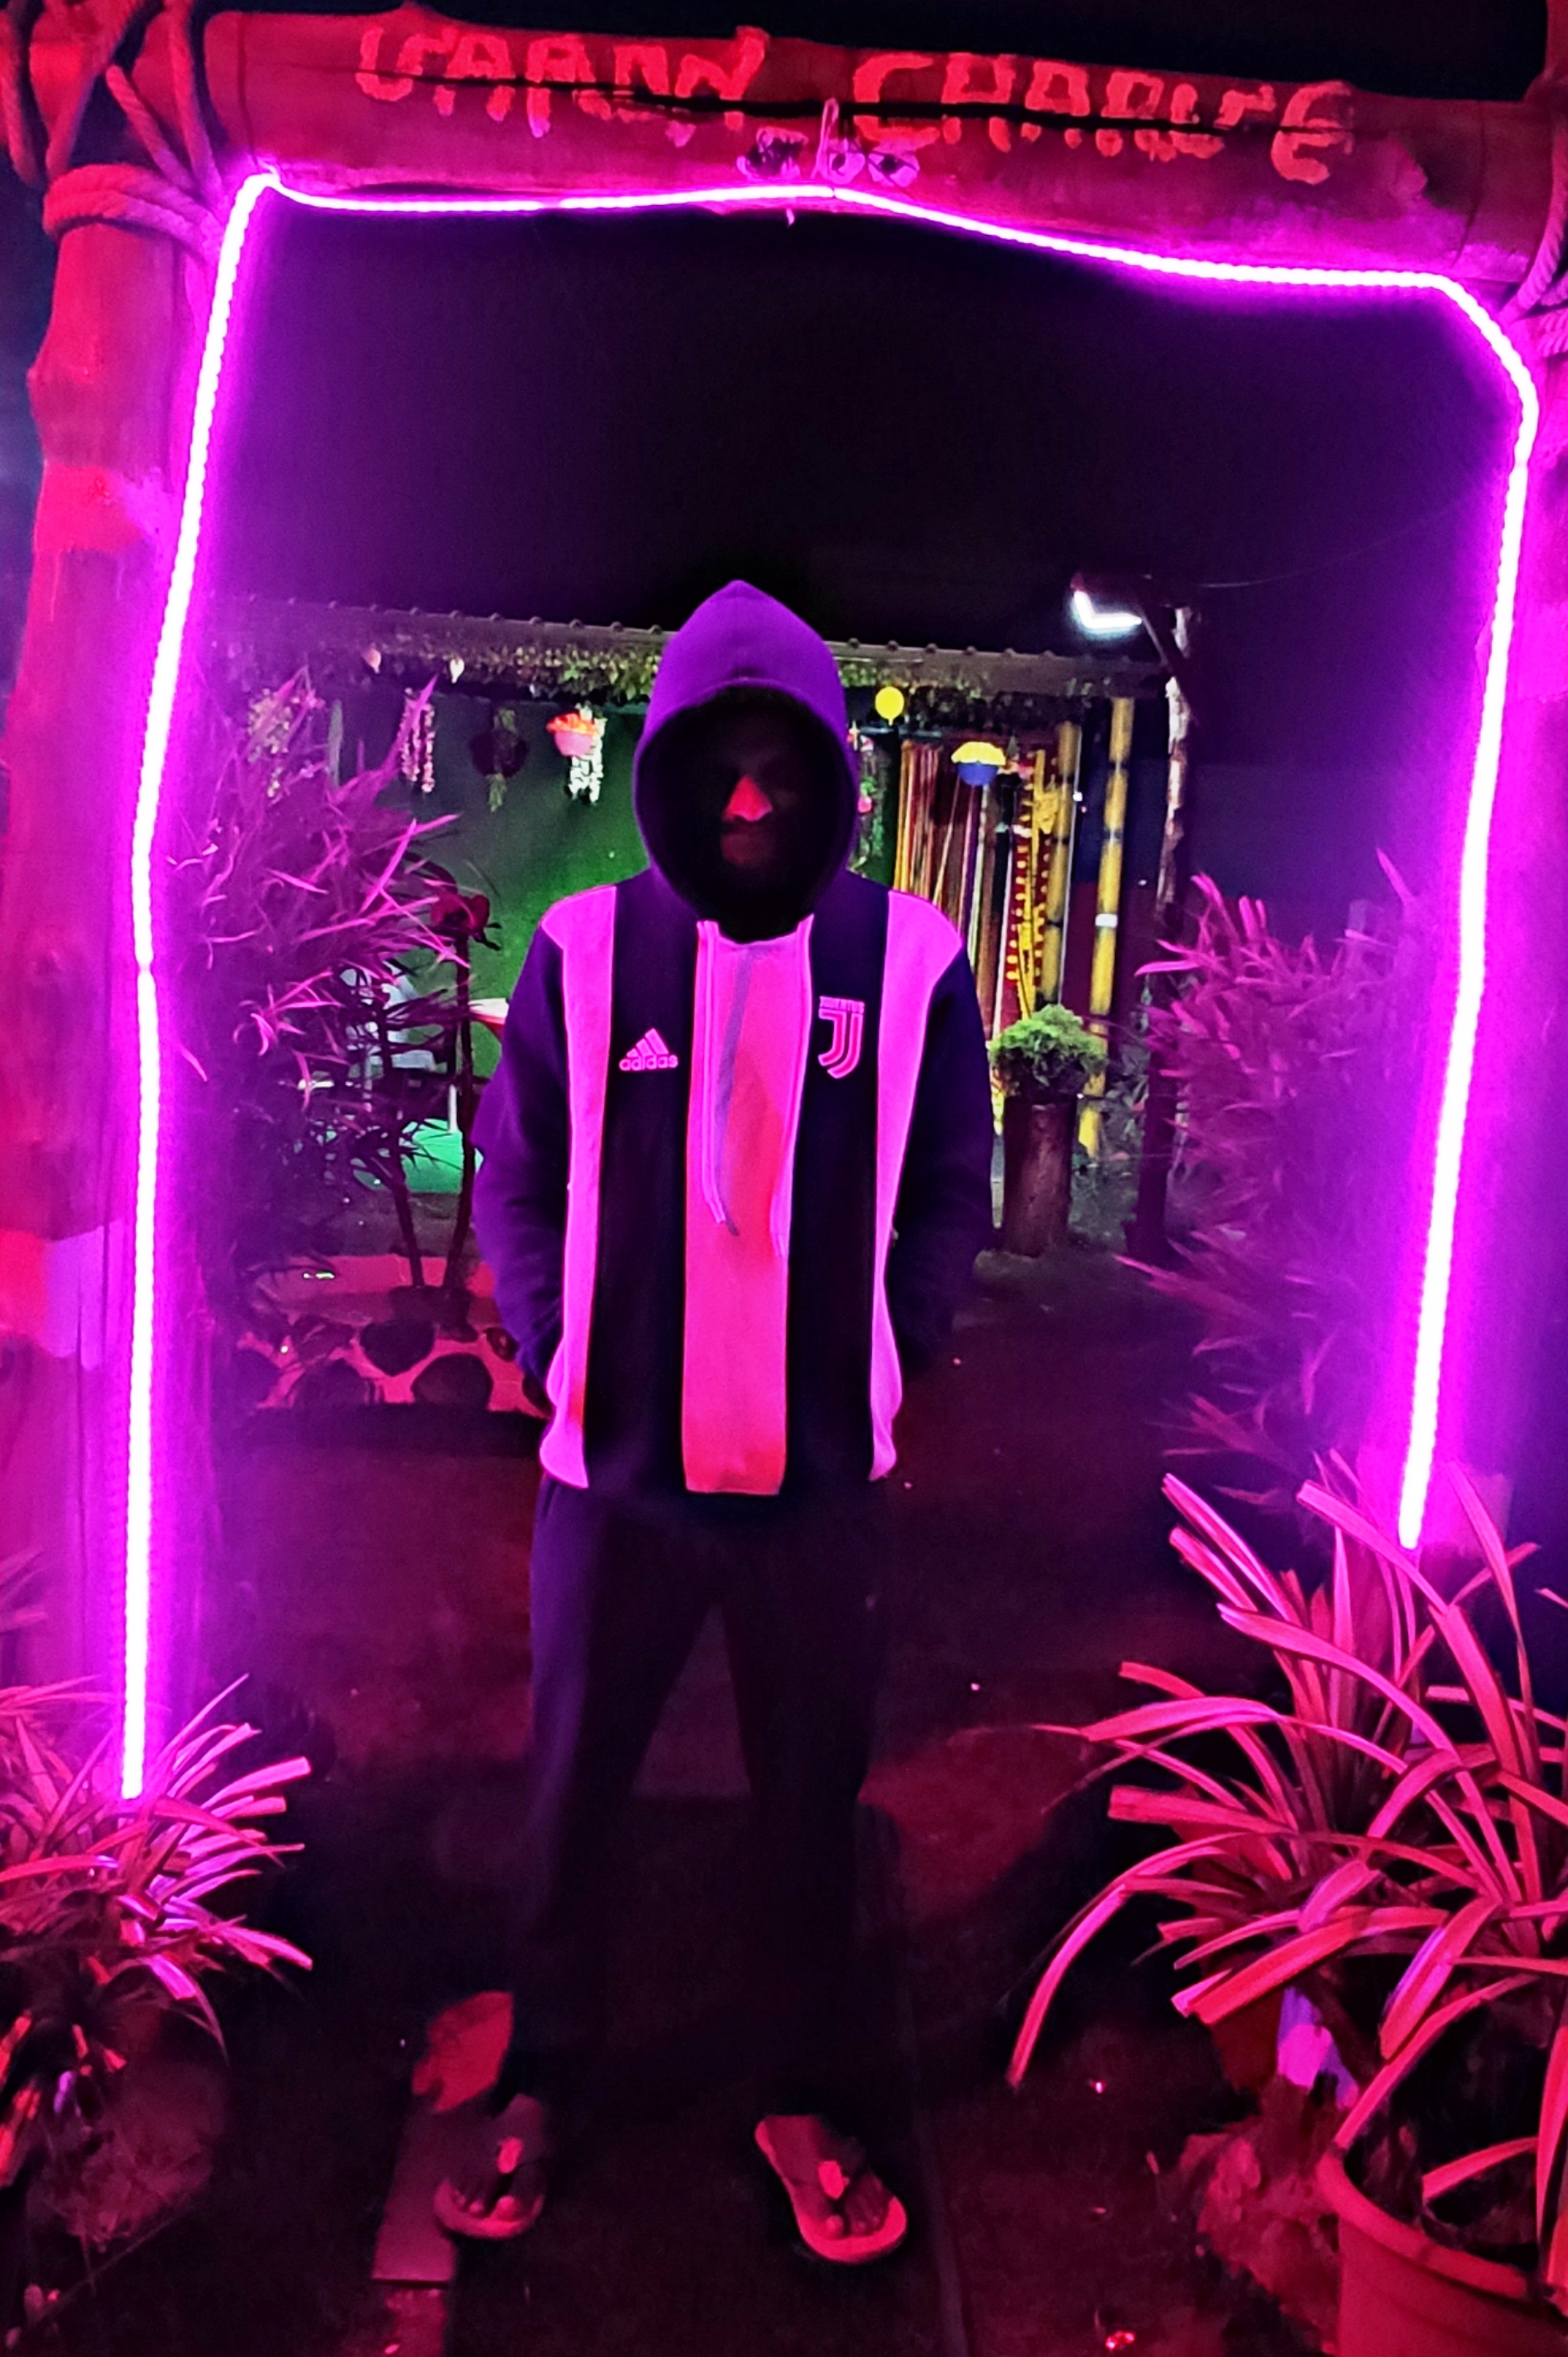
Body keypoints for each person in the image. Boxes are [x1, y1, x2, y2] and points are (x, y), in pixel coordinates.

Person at [441, 581, 993, 2262]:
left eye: (781, 767)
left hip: (818, 1487)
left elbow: (949, 1191)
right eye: (719, 767)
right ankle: (546, 2075)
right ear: (670, 771)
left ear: (829, 776)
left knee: (810, 1800)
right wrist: (554, 1341)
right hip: (616, 1475)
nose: (750, 800)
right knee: (571, 1788)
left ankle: (799, 2093)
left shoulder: (912, 961)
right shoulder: (582, 952)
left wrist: (894, 1347)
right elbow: (514, 1174)